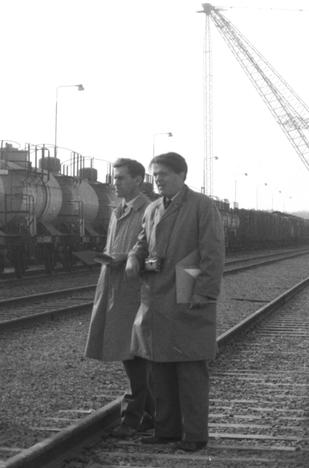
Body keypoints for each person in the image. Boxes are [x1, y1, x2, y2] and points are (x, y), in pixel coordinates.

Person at [125, 152, 225, 452]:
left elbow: (213, 252)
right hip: (156, 296)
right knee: (160, 365)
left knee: (190, 368)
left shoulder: (202, 206)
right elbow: (143, 241)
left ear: (182, 175)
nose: (158, 180)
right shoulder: (153, 208)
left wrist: (205, 291)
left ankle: (194, 434)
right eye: (155, 175)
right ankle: (166, 430)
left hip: (188, 294)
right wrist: (134, 257)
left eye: (164, 174)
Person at [84, 158, 154, 437]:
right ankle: (150, 414)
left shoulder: (149, 211)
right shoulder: (118, 211)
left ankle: (133, 418)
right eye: (114, 178)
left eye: (121, 178)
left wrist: (125, 258)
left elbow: (157, 253)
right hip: (115, 288)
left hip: (135, 291)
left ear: (138, 180)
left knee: (134, 354)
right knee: (131, 355)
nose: (116, 183)